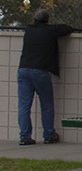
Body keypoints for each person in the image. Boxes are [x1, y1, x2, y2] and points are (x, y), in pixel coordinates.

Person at [16, 8, 75, 146]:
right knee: (47, 104)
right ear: (47, 20)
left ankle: (25, 136)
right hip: (40, 71)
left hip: (23, 70)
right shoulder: (50, 30)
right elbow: (66, 29)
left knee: (24, 105)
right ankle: (48, 134)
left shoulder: (29, 30)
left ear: (34, 19)